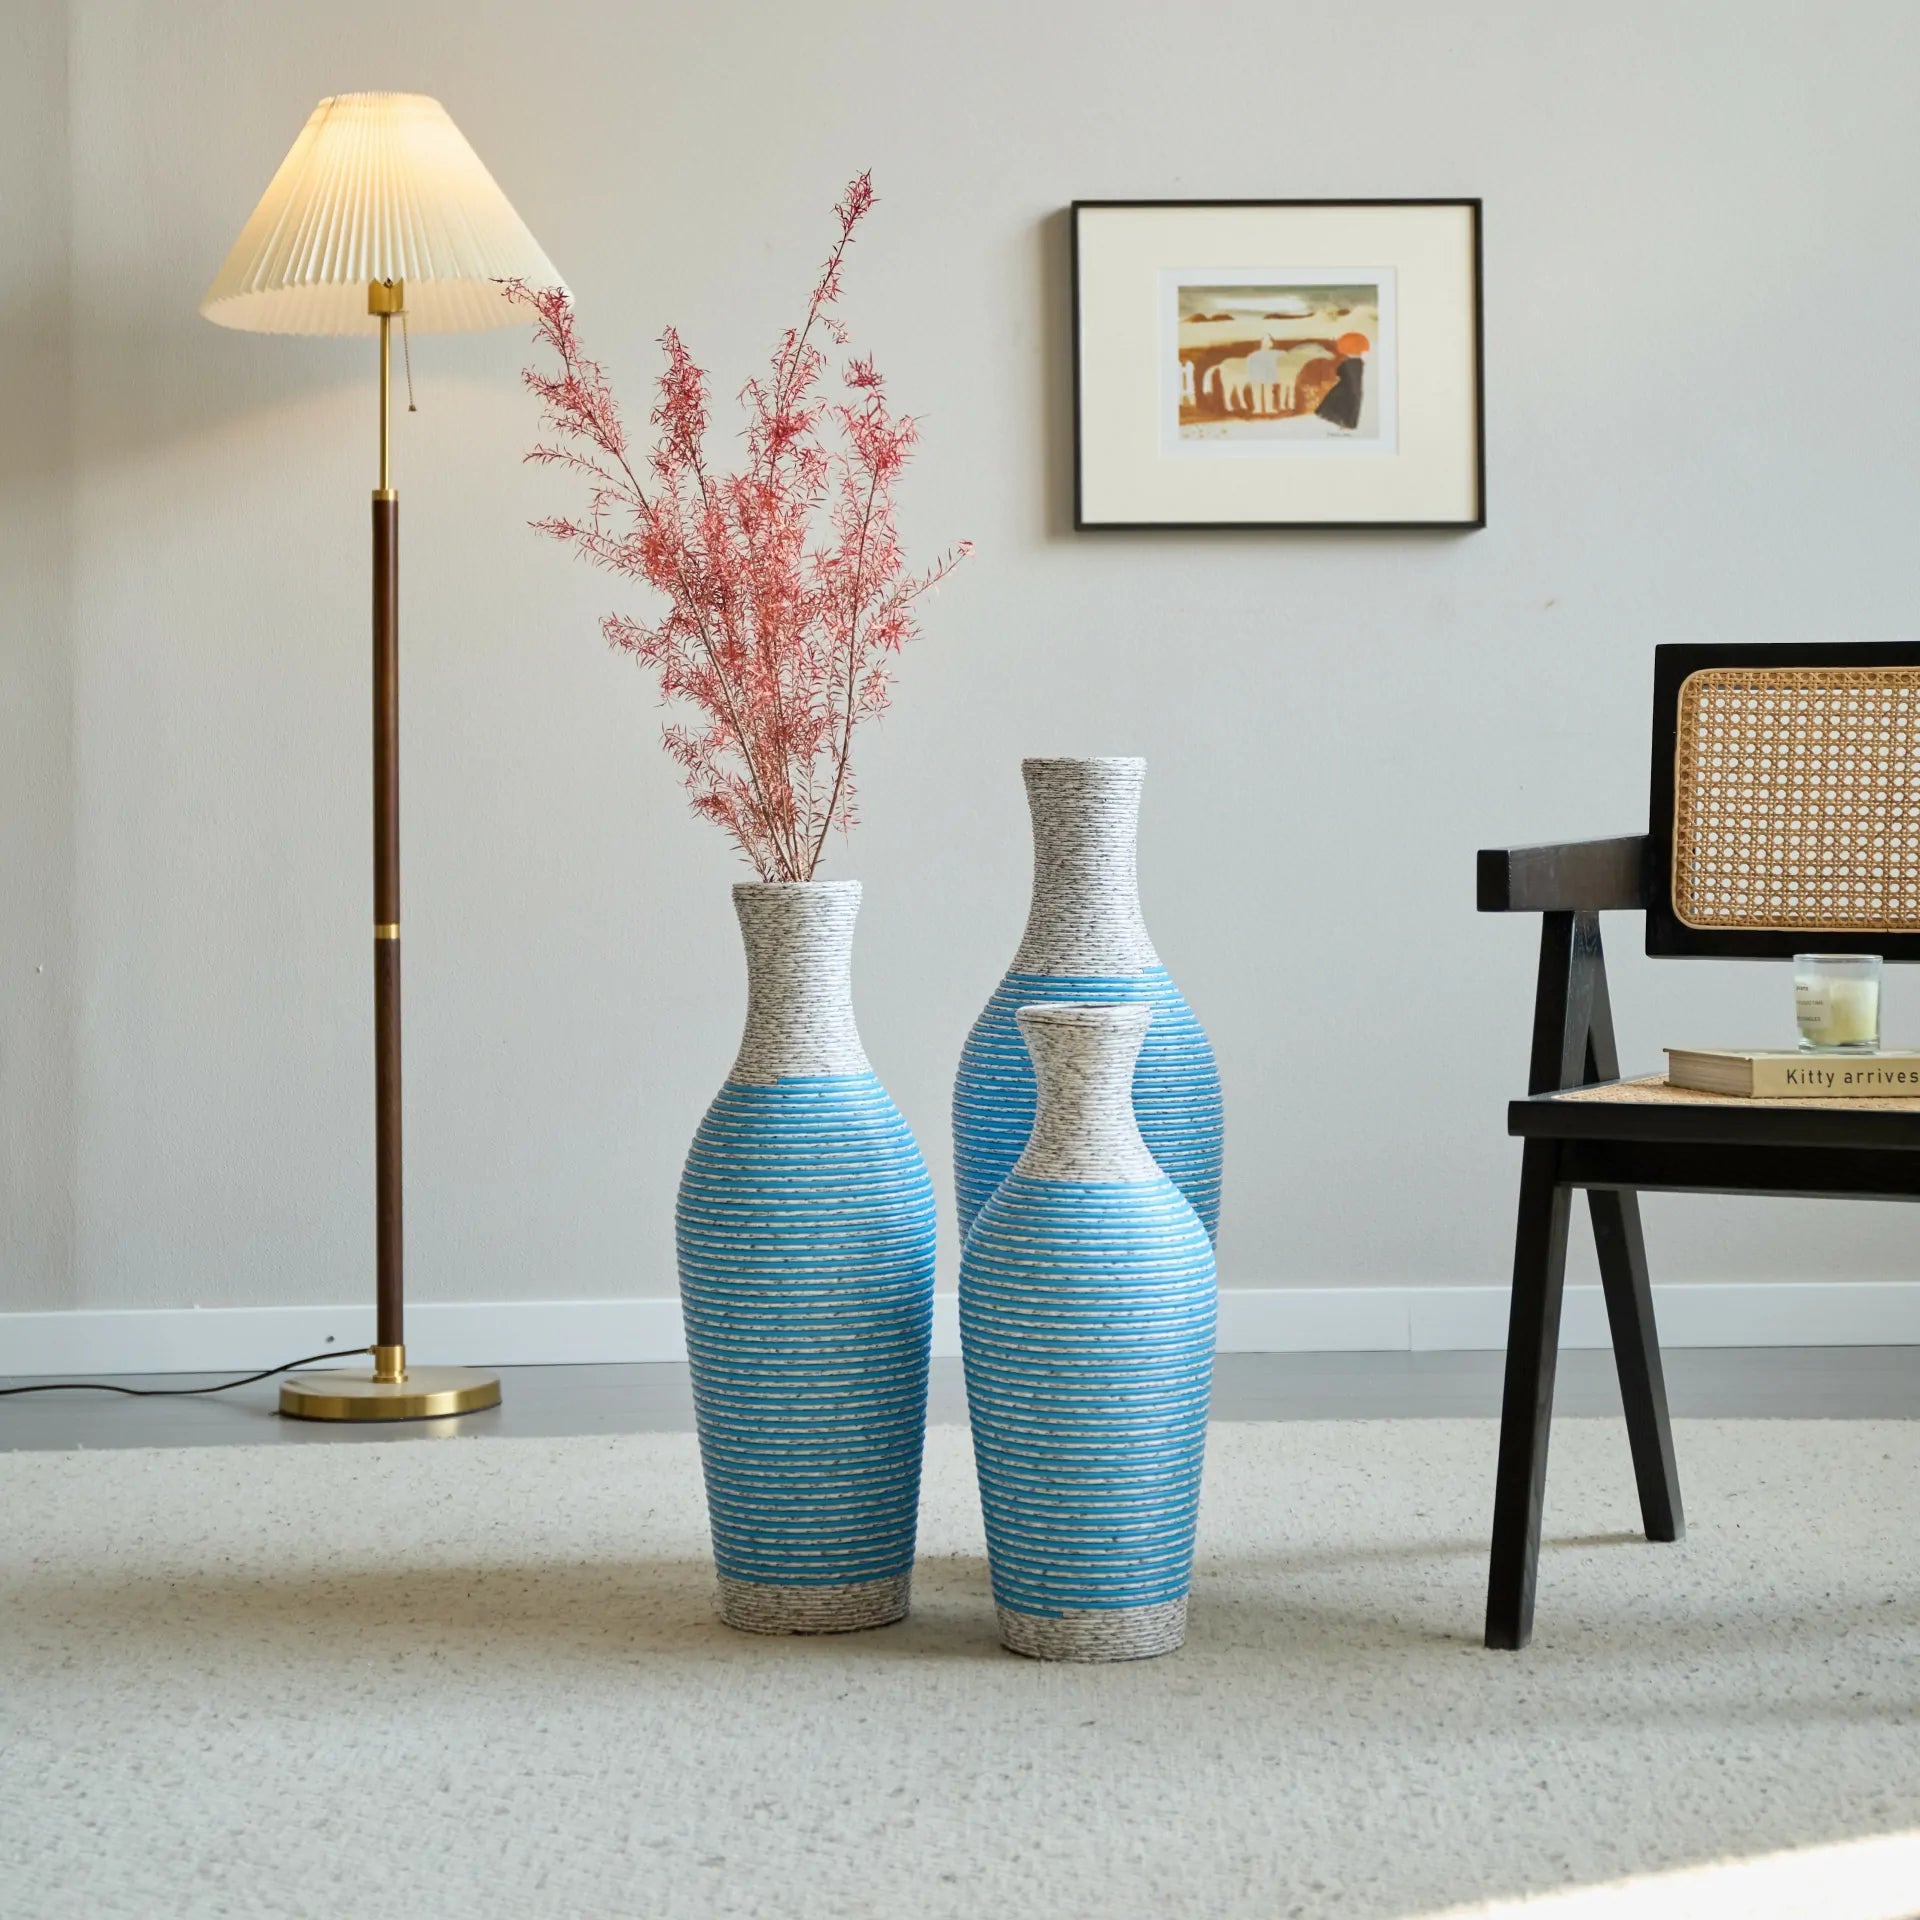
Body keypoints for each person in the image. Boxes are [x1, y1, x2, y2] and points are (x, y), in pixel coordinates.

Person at [1315, 331, 1370, 431]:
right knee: (1350, 406)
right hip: (1353, 389)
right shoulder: (1359, 363)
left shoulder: (1347, 363)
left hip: (1345, 387)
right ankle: (1347, 423)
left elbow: (1340, 372)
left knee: (1338, 403)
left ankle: (1345, 423)